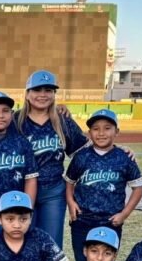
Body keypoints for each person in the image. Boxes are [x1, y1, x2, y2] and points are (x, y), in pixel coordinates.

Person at [14, 70, 89, 249]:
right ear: (27, 94)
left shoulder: (62, 120)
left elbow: (85, 153)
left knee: (51, 244)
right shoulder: (15, 121)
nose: (42, 95)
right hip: (21, 191)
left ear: (54, 94)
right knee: (23, 243)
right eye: (37, 90)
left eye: (48, 90)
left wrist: (117, 149)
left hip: (53, 192)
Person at [65, 109, 142, 261]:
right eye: (96, 129)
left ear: (117, 132)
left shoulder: (124, 157)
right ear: (89, 133)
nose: (101, 133)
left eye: (107, 128)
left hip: (111, 221)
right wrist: (71, 202)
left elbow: (139, 188)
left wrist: (124, 214)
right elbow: (69, 182)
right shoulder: (81, 156)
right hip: (82, 220)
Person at [0, 91, 39, 240]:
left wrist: (27, 211)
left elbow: (30, 179)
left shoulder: (21, 142)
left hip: (15, 217)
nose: (0, 115)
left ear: (12, 114)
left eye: (5, 111)